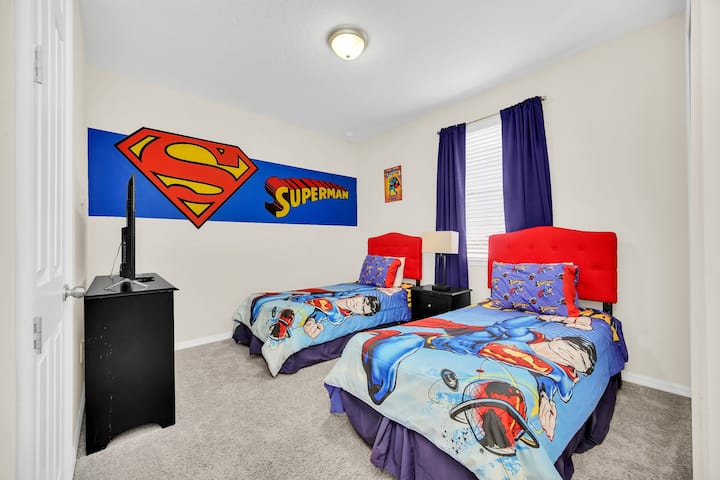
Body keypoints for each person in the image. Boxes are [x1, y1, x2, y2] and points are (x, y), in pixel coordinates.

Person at [361, 314, 596, 440]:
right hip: (452, 338)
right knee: (378, 347)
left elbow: (545, 381)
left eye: (575, 362)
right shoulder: (529, 333)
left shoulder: (551, 372)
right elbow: (509, 324)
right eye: (572, 350)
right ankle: (380, 393)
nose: (568, 357)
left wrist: (544, 399)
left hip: (457, 350)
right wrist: (559, 319)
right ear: (560, 339)